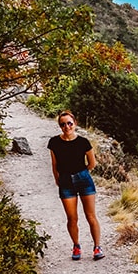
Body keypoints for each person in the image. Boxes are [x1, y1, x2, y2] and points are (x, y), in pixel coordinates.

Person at [47, 110, 104, 261]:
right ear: (60, 126)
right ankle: (76, 246)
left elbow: (92, 163)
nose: (67, 127)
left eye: (69, 123)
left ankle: (97, 247)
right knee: (72, 218)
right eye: (63, 124)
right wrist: (57, 178)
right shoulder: (54, 142)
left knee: (90, 216)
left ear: (75, 123)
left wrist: (82, 173)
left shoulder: (83, 142)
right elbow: (54, 164)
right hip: (65, 181)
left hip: (83, 180)